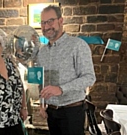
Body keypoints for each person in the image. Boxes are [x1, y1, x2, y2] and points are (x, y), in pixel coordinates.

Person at [37, 5, 96, 135]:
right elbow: (42, 80)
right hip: (51, 112)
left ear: (61, 21)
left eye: (50, 21)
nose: (46, 26)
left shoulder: (78, 45)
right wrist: (42, 103)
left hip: (72, 111)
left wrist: (61, 89)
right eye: (43, 22)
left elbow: (89, 77)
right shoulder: (42, 52)